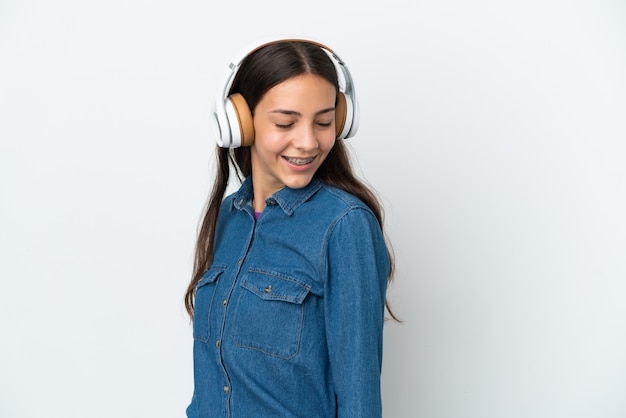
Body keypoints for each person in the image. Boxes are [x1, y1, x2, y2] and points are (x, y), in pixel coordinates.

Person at [184, 37, 396, 418]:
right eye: (285, 122)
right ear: (241, 123)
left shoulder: (345, 226)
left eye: (324, 122)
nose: (308, 142)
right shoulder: (229, 217)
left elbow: (359, 398)